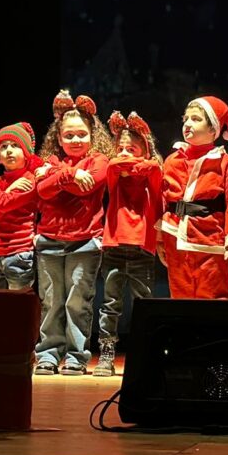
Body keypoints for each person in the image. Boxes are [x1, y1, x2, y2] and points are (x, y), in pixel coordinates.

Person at [33, 90, 113, 375]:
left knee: (77, 303)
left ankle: (76, 357)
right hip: (49, 241)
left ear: (92, 133)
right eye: (69, 136)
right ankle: (48, 355)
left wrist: (57, 179)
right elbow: (41, 191)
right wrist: (68, 174)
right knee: (52, 302)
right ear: (58, 137)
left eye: (81, 134)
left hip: (85, 241)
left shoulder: (100, 161)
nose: (75, 140)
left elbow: (88, 186)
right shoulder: (51, 162)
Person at [157, 95, 228, 299]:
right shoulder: (172, 160)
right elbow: (162, 200)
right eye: (186, 119)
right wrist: (159, 238)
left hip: (210, 239)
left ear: (213, 129)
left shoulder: (225, 162)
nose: (188, 124)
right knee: (180, 296)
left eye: (196, 119)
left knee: (213, 296)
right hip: (175, 236)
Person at [95, 110, 162, 376]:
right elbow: (113, 167)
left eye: (131, 148)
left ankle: (144, 350)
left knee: (144, 303)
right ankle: (107, 352)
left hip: (142, 250)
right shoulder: (114, 174)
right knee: (110, 304)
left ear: (144, 150)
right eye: (120, 147)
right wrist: (126, 161)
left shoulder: (151, 177)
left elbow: (155, 168)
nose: (123, 153)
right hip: (113, 248)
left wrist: (136, 165)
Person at [0, 122, 41, 292]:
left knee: (17, 308)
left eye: (15, 145)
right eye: (3, 147)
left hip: (19, 252)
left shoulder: (29, 179)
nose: (9, 150)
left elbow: (3, 204)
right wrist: (7, 189)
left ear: (25, 153)